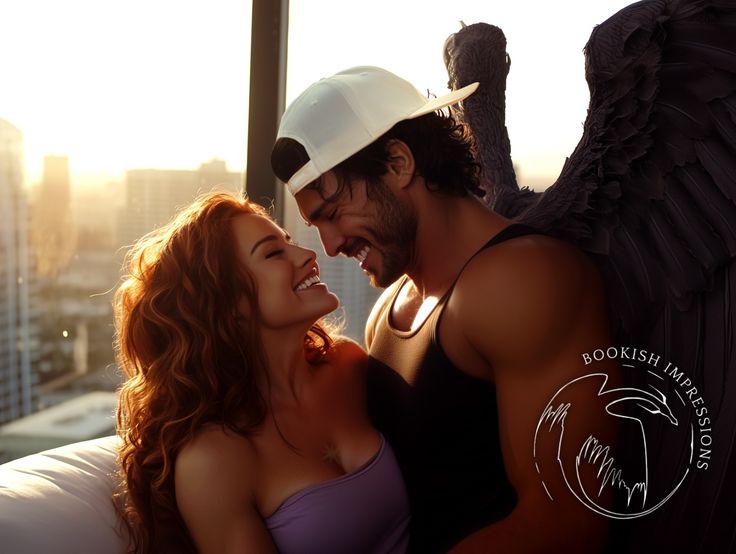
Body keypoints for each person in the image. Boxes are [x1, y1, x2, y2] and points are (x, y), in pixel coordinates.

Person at [271, 66, 621, 553]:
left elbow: (565, 523)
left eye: (332, 213)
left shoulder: (521, 281)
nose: (329, 245)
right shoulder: (388, 309)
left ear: (398, 163)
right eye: (315, 224)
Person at [113, 191, 410, 554]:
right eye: (273, 253)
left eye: (290, 242)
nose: (309, 255)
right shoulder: (213, 460)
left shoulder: (348, 366)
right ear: (229, 302)